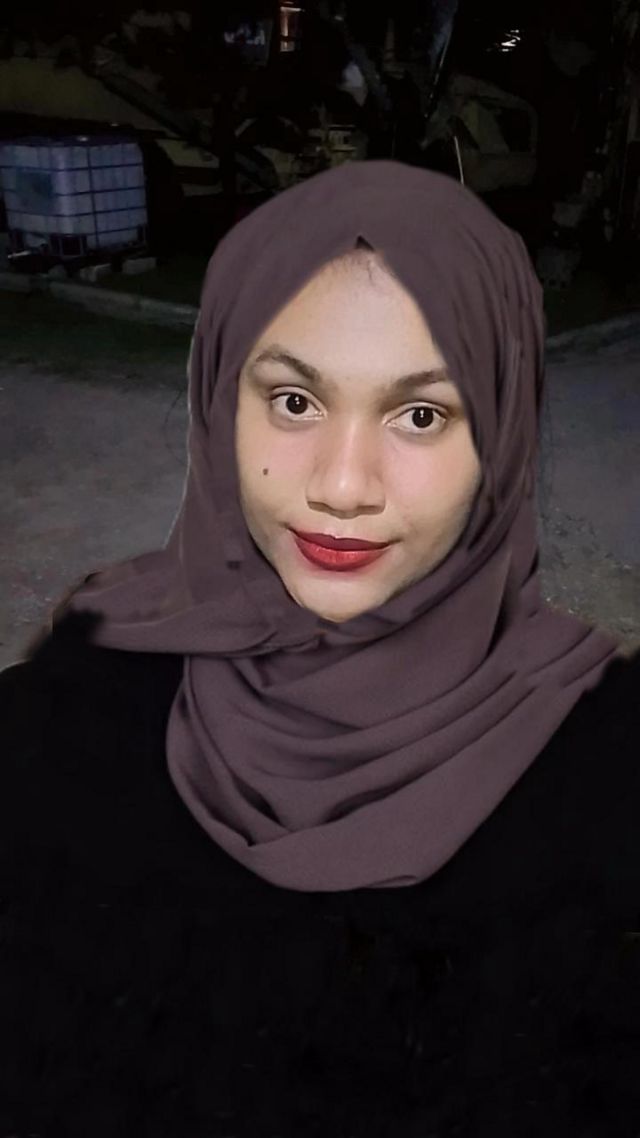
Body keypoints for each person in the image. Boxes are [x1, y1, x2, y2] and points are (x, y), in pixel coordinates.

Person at [0, 160, 638, 1136]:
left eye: (421, 415)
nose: (342, 485)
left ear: (503, 434)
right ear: (222, 401)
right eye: (294, 401)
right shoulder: (70, 703)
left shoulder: (608, 771)